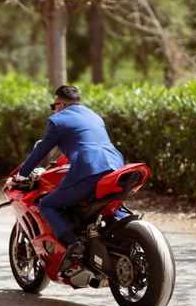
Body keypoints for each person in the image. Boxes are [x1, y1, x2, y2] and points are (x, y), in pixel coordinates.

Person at [8, 85, 124, 273]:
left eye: (53, 105)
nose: (54, 110)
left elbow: (41, 151)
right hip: (116, 168)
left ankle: (73, 243)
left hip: (91, 171)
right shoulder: (94, 116)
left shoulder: (58, 120)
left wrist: (21, 175)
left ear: (60, 104)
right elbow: (88, 144)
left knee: (47, 204)